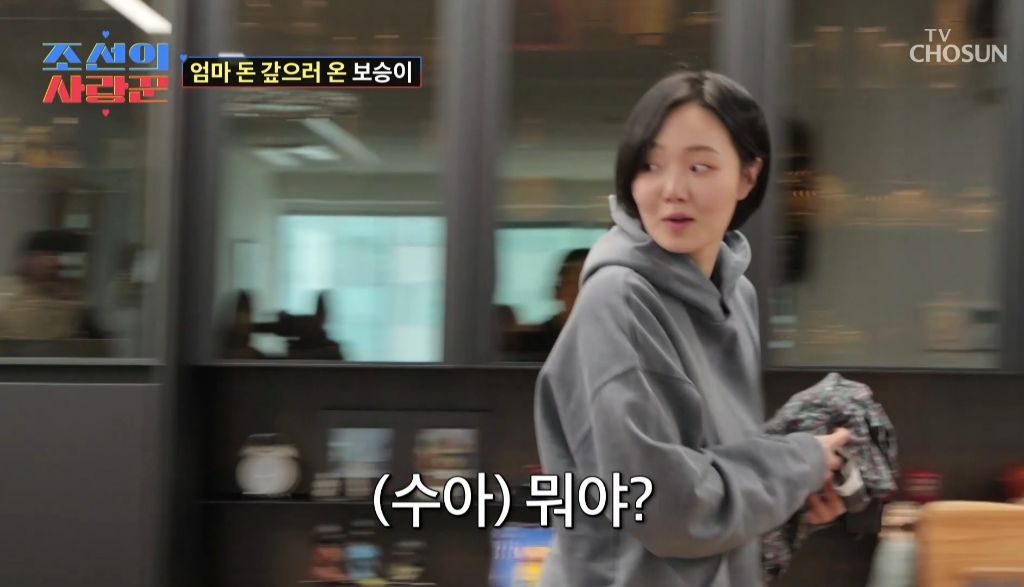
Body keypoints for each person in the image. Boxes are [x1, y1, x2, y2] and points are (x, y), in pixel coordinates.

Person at [533, 70, 851, 586]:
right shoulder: (618, 299)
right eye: (650, 165)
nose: (672, 190)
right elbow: (668, 508)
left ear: (748, 176)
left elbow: (717, 472)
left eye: (699, 166)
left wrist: (790, 495)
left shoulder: (736, 296)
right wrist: (799, 465)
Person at [514, 248, 590, 360]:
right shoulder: (533, 341)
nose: (578, 292)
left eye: (588, 284)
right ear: (559, 289)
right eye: (572, 283)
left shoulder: (611, 337)